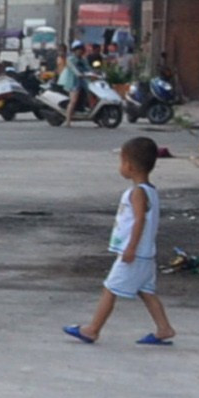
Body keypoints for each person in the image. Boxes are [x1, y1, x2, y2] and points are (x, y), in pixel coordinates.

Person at [67, 136, 175, 346]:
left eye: (121, 162)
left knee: (110, 288)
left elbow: (139, 221)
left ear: (130, 166)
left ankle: (92, 329)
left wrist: (130, 248)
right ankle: (164, 328)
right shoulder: (150, 191)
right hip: (146, 253)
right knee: (146, 291)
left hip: (134, 253)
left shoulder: (138, 193)